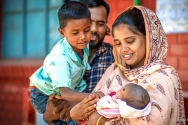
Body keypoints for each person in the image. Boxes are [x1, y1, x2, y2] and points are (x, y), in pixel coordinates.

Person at [70, 6, 186, 125]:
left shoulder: (163, 76)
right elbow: (92, 108)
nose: (123, 49)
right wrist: (77, 113)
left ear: (149, 38)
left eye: (130, 41)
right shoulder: (115, 69)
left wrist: (101, 120)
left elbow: (154, 121)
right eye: (118, 43)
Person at [29, 1, 101, 125]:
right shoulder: (60, 60)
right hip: (43, 93)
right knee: (65, 117)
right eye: (75, 33)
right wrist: (92, 96)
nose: (83, 37)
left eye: (87, 30)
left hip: (63, 89)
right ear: (62, 33)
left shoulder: (82, 45)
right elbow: (65, 93)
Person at [42, 0, 114, 124]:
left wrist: (77, 104)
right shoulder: (60, 56)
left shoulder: (114, 57)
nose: (93, 30)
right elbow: (47, 116)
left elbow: (119, 101)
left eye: (100, 24)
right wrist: (49, 115)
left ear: (107, 26)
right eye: (89, 24)